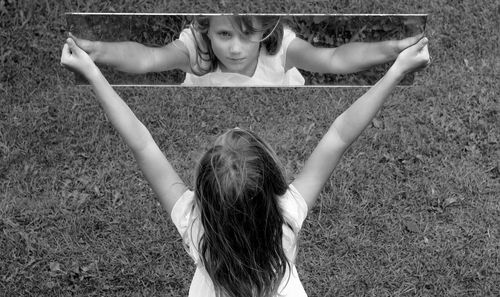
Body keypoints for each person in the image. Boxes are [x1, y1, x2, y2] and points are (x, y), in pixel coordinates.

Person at [60, 34, 429, 296]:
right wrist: (395, 71)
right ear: (273, 187)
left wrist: (94, 74)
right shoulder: (285, 218)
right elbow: (339, 135)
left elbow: (141, 143)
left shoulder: (195, 225)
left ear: (203, 197)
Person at [69, 15, 423, 86]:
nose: (236, 48)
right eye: (224, 33)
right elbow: (148, 58)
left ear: (265, 29)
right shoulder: (196, 49)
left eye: (247, 34)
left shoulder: (281, 48)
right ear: (206, 28)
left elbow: (334, 59)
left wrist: (391, 48)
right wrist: (97, 50)